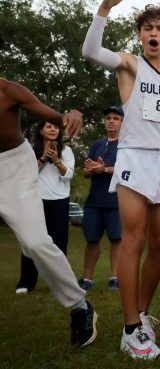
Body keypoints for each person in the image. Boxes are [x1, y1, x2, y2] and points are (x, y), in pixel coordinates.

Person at [82, 0, 160, 359]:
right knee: (133, 240)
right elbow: (90, 50)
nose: (154, 33)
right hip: (135, 157)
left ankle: (140, 314)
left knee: (159, 243)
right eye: (148, 28)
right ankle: (129, 329)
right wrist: (105, 6)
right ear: (140, 34)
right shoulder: (129, 63)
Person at [0, 78, 96, 346]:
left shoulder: (9, 91)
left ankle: (80, 306)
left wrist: (73, 114)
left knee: (36, 243)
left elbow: (59, 117)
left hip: (14, 170)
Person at [17, 120, 76, 294]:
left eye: (56, 127)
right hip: (36, 200)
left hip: (59, 200)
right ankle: (26, 283)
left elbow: (69, 175)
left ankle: (59, 283)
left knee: (58, 244)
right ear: (41, 130)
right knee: (32, 242)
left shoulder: (67, 151)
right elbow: (26, 175)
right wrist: (43, 157)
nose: (53, 129)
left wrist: (57, 160)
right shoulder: (29, 149)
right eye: (49, 126)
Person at [78, 106, 124, 292]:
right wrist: (89, 170)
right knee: (91, 240)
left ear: (122, 122)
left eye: (116, 118)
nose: (111, 121)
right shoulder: (97, 144)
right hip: (94, 201)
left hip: (116, 202)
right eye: (108, 118)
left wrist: (104, 169)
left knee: (116, 240)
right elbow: (85, 171)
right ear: (104, 122)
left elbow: (127, 171)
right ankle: (87, 279)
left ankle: (115, 277)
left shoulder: (126, 144)